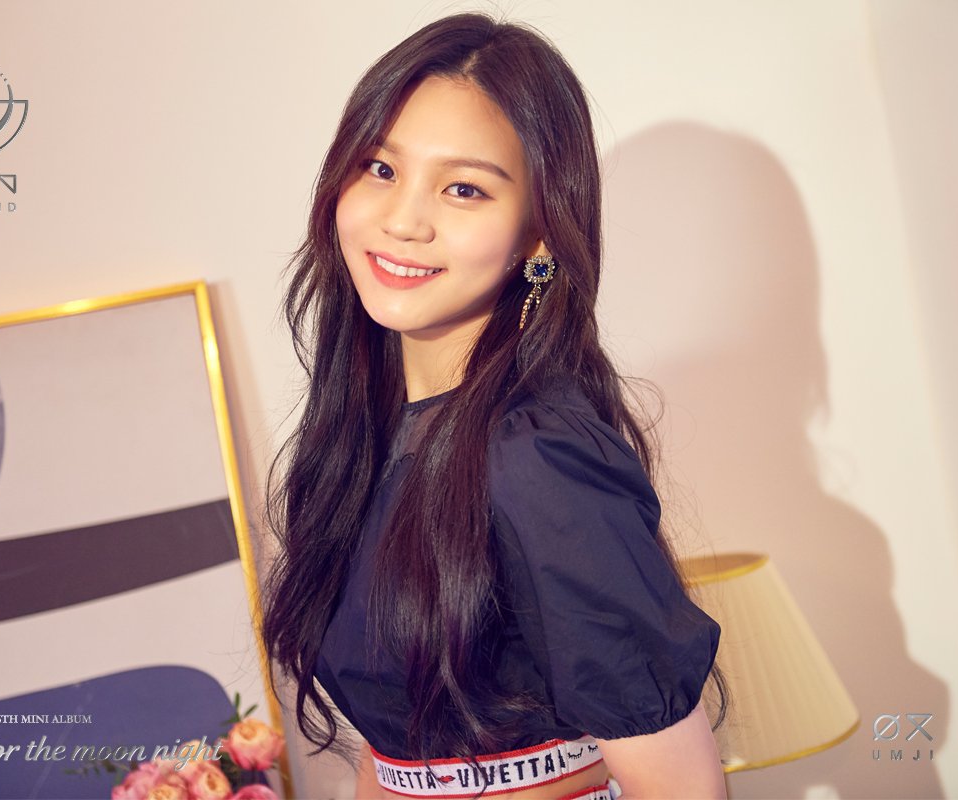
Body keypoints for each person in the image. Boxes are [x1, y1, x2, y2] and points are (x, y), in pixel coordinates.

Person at [262, 13, 731, 800]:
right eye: (380, 168)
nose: (403, 220)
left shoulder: (536, 451)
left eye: (463, 188)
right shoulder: (364, 439)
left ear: (537, 235)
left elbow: (679, 786)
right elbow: (396, 753)